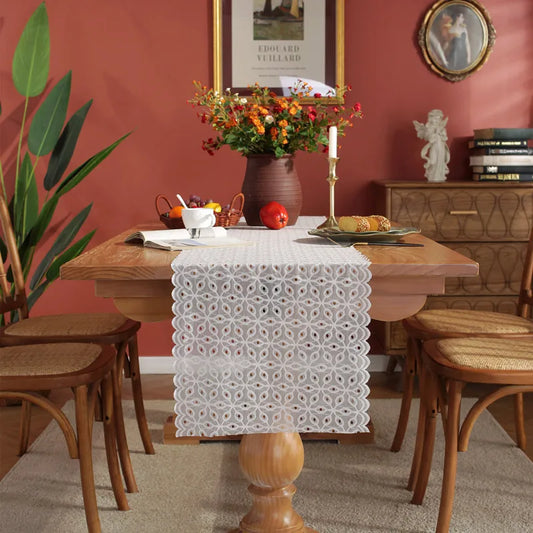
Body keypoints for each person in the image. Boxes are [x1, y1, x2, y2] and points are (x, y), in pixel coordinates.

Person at [413, 109, 450, 183]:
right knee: (433, 161)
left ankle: (439, 176)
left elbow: (445, 138)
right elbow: (428, 137)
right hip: (434, 147)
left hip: (441, 147)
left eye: (438, 119)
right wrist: (434, 135)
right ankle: (433, 176)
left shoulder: (442, 128)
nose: (437, 121)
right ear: (431, 119)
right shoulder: (429, 128)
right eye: (435, 119)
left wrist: (441, 133)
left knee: (440, 161)